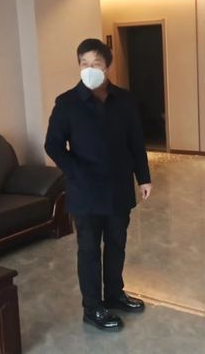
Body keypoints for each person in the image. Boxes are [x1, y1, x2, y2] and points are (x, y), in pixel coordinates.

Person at [45, 38, 152, 332]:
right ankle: (92, 308)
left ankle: (115, 294)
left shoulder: (125, 101)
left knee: (117, 244)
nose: (89, 69)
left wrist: (143, 177)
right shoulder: (67, 103)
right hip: (85, 191)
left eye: (96, 63)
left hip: (118, 187)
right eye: (84, 63)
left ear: (107, 66)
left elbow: (135, 142)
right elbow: (53, 145)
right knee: (89, 249)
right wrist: (75, 172)